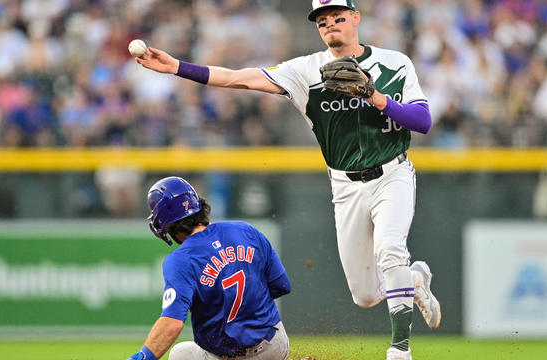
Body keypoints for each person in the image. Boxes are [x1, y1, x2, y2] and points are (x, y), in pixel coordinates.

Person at [135, 1, 440, 359]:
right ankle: (413, 279)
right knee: (366, 295)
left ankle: (399, 350)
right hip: (345, 185)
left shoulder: (394, 62)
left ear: (356, 18)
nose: (330, 25)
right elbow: (239, 78)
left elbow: (422, 121)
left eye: (338, 17)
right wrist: (177, 68)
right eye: (323, 21)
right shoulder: (305, 70)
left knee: (391, 251)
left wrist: (374, 97)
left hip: (393, 172)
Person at [126, 176, 291, 360]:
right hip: (274, 345)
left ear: (167, 223)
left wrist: (143, 356)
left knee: (180, 354)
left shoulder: (180, 260)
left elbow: (172, 324)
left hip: (229, 356)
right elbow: (282, 285)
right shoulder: (245, 230)